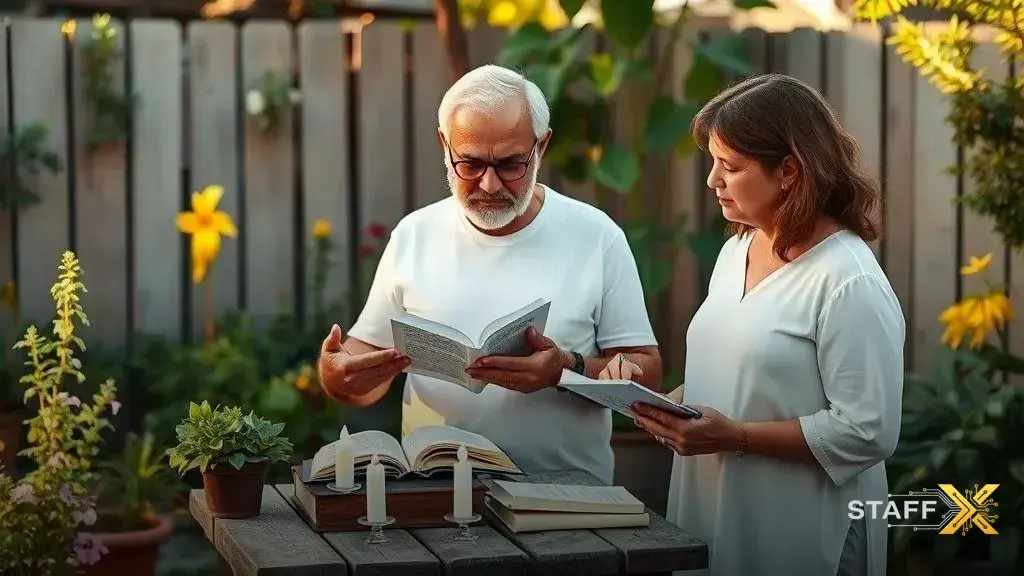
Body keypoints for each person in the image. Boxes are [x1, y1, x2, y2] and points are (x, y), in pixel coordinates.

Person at [601, 73, 905, 576]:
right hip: (712, 509)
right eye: (712, 162)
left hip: (802, 531)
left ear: (788, 170)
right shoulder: (736, 250)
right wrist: (667, 406)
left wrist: (735, 436)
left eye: (730, 166)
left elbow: (867, 431)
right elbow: (743, 377)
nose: (711, 180)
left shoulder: (849, 282)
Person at [316, 64, 662, 484]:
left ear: (542, 146)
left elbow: (649, 373)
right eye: (471, 164)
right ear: (445, 145)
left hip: (566, 494)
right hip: (434, 491)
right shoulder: (415, 234)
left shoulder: (596, 236)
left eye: (512, 164)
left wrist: (564, 370)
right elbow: (363, 373)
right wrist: (337, 376)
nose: (491, 185)